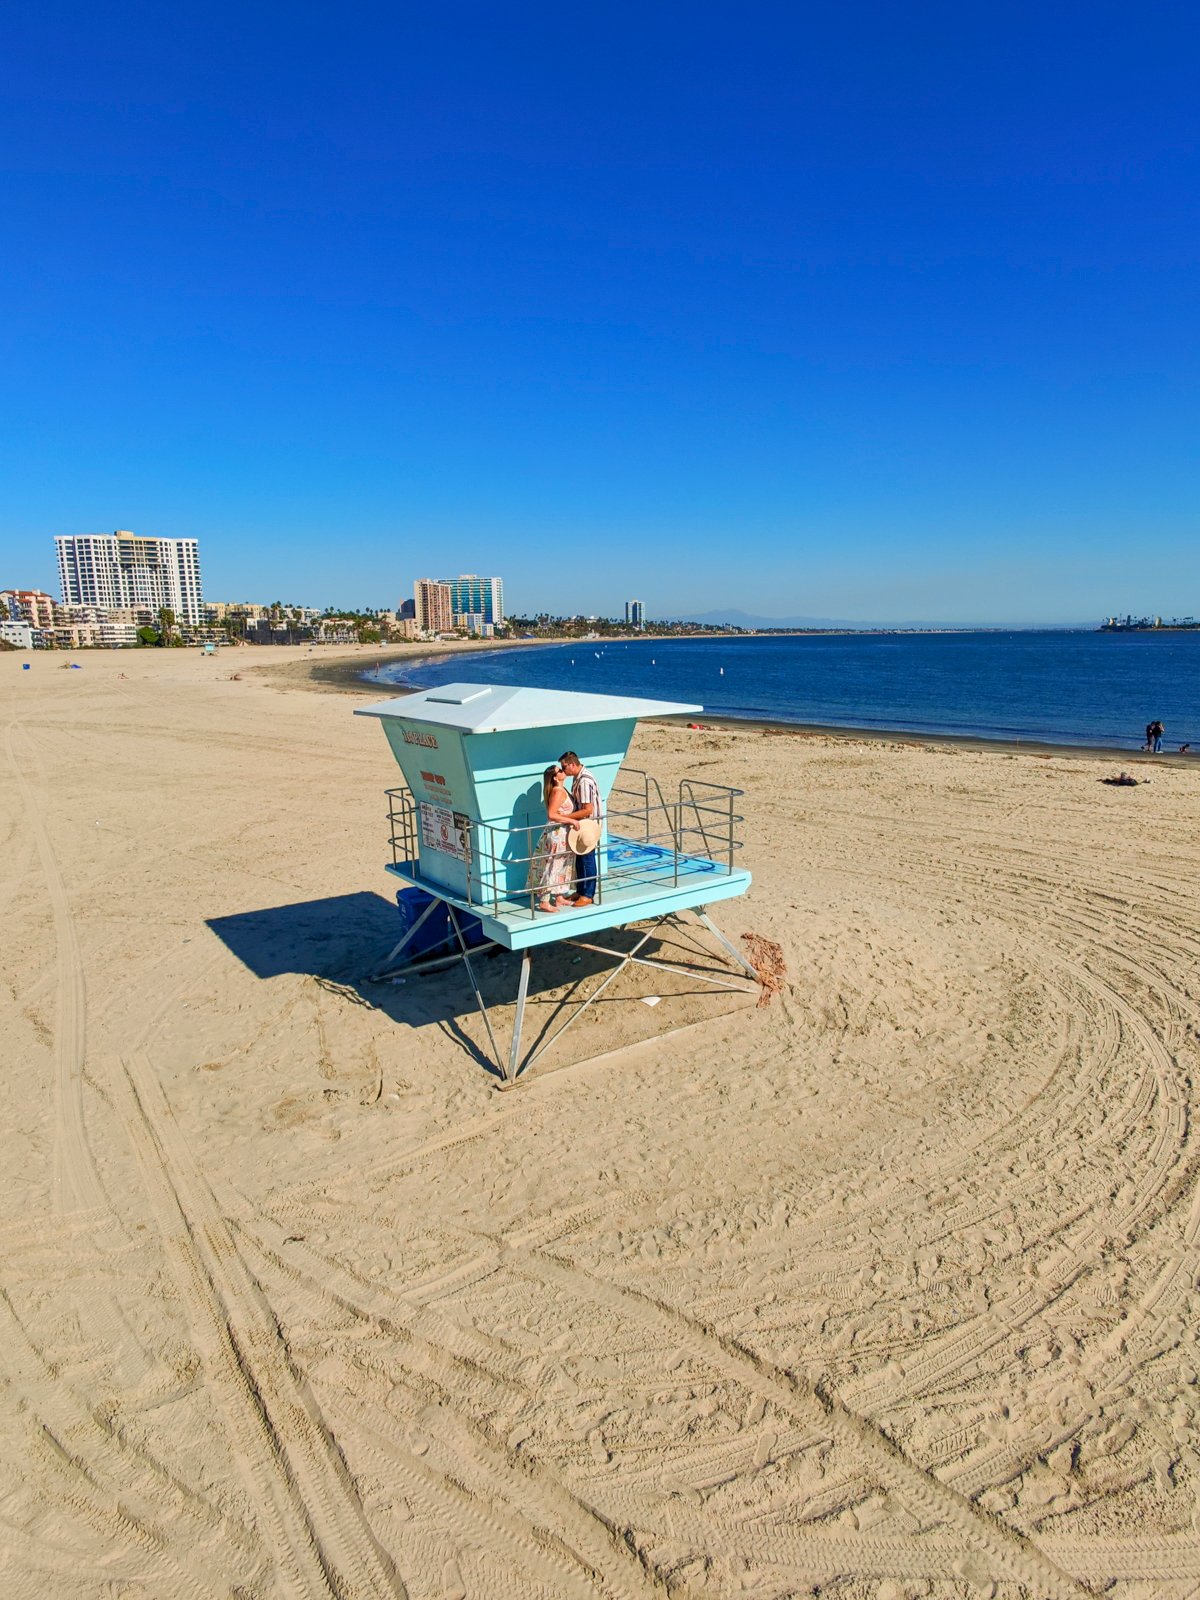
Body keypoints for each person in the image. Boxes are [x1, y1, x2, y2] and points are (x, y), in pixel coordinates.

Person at [526, 764, 575, 912]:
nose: (562, 770)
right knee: (552, 865)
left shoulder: (562, 789)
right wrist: (572, 820)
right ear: (555, 777)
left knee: (562, 864)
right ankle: (544, 900)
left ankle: (559, 896)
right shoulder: (557, 791)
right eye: (559, 771)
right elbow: (552, 814)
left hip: (562, 832)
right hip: (557, 833)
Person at [560, 749, 602, 906]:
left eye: (564, 767)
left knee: (587, 859)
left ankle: (588, 893)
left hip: (587, 827)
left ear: (572, 764)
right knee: (580, 859)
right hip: (582, 825)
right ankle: (581, 890)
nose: (564, 771)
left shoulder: (584, 781)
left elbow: (587, 809)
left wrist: (565, 818)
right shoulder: (579, 777)